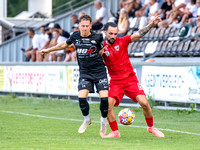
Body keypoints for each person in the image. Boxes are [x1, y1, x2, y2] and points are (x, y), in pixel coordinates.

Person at [40, 15, 109, 137]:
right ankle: (87, 120)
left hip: (99, 71)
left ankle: (103, 121)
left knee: (104, 99)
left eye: (87, 26)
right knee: (82, 98)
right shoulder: (75, 36)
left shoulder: (98, 37)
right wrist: (48, 50)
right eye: (83, 26)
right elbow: (63, 45)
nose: (85, 28)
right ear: (79, 26)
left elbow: (104, 50)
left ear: (90, 26)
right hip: (85, 72)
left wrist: (103, 52)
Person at [100, 16, 165, 138]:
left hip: (130, 79)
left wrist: (151, 24)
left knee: (144, 103)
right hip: (115, 82)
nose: (113, 36)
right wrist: (99, 54)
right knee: (107, 106)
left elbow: (139, 34)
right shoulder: (101, 47)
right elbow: (94, 59)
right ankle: (115, 132)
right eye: (110, 34)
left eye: (115, 33)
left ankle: (151, 128)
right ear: (105, 33)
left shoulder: (122, 41)